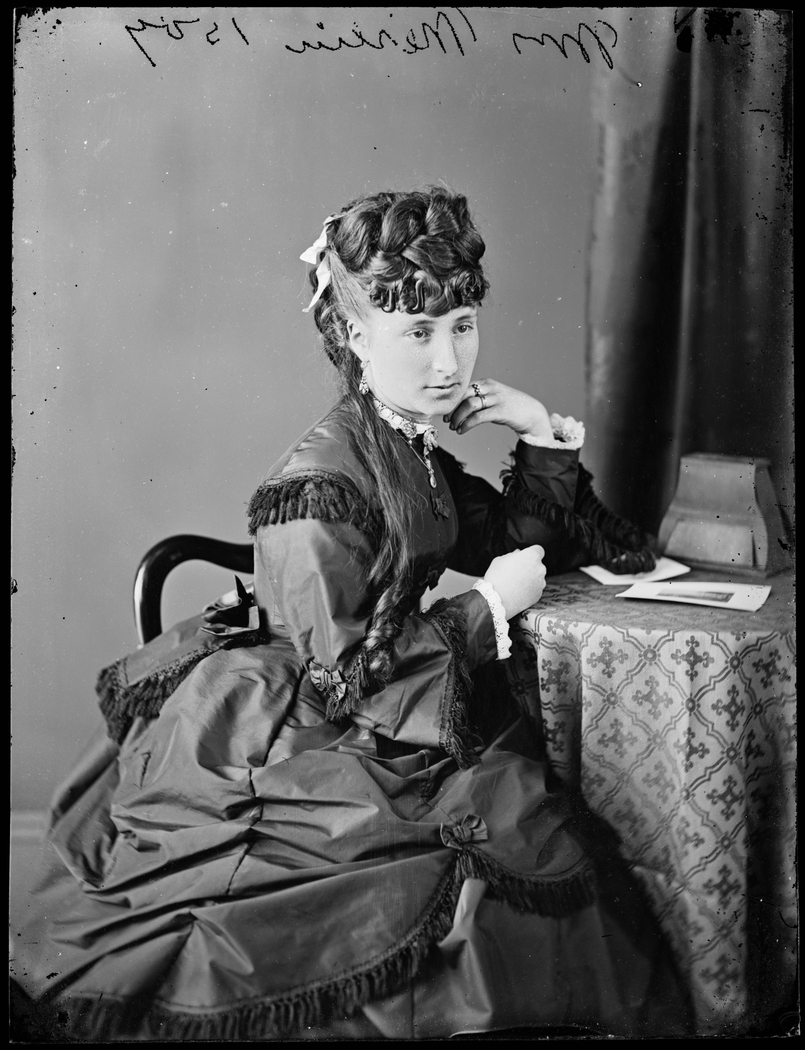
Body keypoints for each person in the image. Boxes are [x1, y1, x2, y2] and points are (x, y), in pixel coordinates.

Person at [11, 187, 689, 1041]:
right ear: (353, 334)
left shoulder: (407, 441)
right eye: (417, 332)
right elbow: (343, 674)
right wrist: (484, 607)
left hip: (382, 696)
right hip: (298, 723)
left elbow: (515, 538)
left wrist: (538, 431)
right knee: (466, 880)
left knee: (529, 836)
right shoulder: (318, 483)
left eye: (464, 324)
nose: (450, 361)